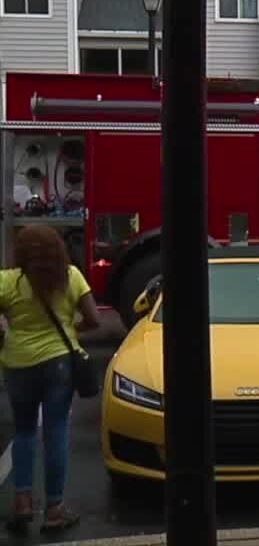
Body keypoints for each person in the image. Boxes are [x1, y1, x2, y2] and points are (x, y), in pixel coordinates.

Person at [1, 225, 100, 535]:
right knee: (56, 432)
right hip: (59, 362)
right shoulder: (71, 277)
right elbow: (95, 320)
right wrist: (71, 331)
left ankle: (22, 503)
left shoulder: (7, 281)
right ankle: (55, 509)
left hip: (17, 363)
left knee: (25, 431)